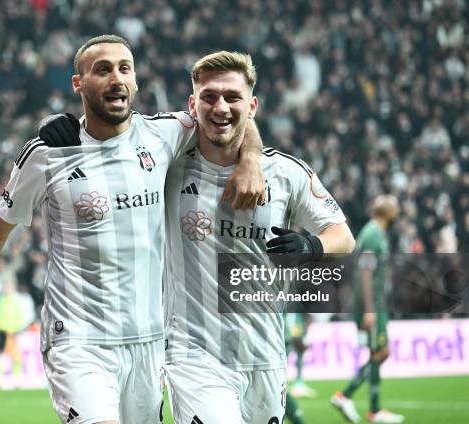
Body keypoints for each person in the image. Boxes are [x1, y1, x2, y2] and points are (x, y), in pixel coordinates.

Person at [0, 35, 264, 424]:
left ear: (136, 81)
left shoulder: (164, 134)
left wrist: (251, 158)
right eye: (102, 70)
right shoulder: (47, 153)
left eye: (124, 68)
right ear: (78, 83)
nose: (116, 78)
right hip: (78, 340)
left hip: (147, 342)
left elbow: (231, 117)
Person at [162, 51, 355, 423]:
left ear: (252, 105)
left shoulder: (285, 172)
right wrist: (66, 129)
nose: (220, 106)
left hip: (264, 354)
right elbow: (116, 131)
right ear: (192, 104)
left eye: (232, 97)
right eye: (209, 97)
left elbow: (343, 236)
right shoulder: (168, 165)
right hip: (194, 354)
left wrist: (311, 246)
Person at [331, 195, 405, 423]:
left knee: (381, 352)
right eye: (396, 207)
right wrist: (371, 310)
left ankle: (352, 399)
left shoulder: (375, 232)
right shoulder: (373, 234)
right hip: (372, 305)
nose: (399, 211)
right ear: (389, 211)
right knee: (379, 353)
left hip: (376, 304)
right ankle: (364, 405)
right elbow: (365, 272)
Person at [286, 313, 317, 398]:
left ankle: (299, 383)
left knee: (299, 355)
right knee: (285, 357)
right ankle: (284, 383)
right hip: (288, 332)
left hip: (297, 330)